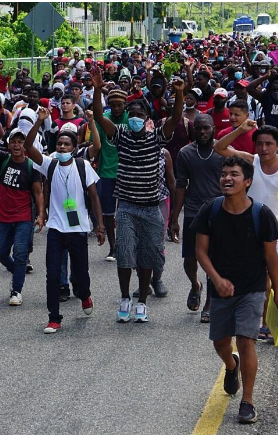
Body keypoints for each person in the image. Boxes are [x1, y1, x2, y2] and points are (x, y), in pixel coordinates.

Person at [193, 155, 278, 424]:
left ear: (247, 181)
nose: (227, 178)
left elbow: (271, 257)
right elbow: (201, 251)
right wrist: (217, 279)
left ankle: (247, 402)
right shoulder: (210, 210)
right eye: (224, 174)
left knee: (246, 340)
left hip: (252, 288)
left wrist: (277, 291)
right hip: (221, 290)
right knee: (221, 342)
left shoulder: (262, 215)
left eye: (234, 174)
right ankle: (230, 365)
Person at [92, 68, 185, 324]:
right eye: (131, 114)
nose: (134, 117)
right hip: (127, 208)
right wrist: (98, 89)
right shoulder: (120, 136)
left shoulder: (157, 138)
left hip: (151, 208)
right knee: (124, 253)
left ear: (147, 119)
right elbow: (100, 117)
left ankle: (142, 302)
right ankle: (125, 298)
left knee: (148, 256)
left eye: (139, 115)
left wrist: (178, 94)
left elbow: (175, 119)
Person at [214, 122, 278, 342]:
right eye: (259, 143)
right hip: (255, 226)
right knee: (260, 277)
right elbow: (219, 148)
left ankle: (270, 324)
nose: (264, 148)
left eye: (269, 144)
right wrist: (240, 129)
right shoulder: (252, 161)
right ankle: (256, 320)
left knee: (277, 275)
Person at [24, 106, 105, 334]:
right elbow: (29, 148)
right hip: (57, 230)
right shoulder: (50, 164)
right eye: (59, 144)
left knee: (81, 275)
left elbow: (94, 196)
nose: (62, 147)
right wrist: (39, 121)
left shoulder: (83, 166)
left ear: (74, 148)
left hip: (78, 229)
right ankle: (54, 317)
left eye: (66, 144)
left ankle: (85, 295)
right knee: (52, 275)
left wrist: (100, 226)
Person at [0, 123, 45, 306]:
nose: (17, 146)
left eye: (20, 142)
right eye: (13, 142)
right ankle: (17, 269)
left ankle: (16, 290)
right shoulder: (3, 159)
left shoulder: (31, 166)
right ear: (8, 145)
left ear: (25, 145)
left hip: (24, 217)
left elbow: (38, 192)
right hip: (3, 216)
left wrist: (41, 215)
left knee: (20, 252)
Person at [170, 114, 223, 323]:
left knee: (213, 260)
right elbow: (181, 185)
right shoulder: (185, 153)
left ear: (213, 129)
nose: (202, 132)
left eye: (206, 128)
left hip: (218, 212)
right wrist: (174, 218)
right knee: (190, 259)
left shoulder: (222, 151)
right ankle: (195, 285)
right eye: (199, 128)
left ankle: (210, 303)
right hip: (193, 212)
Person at [88, 89, 129, 262]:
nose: (116, 108)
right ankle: (113, 248)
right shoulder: (103, 118)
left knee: (126, 214)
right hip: (107, 171)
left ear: (124, 105)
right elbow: (96, 143)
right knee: (109, 214)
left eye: (119, 105)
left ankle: (126, 245)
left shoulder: (131, 117)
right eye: (113, 105)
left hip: (127, 172)